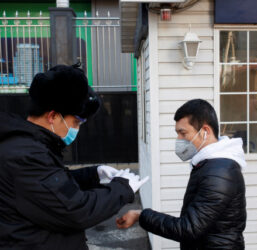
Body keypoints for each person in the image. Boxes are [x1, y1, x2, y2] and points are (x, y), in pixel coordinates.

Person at [0, 64, 148, 250]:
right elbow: (76, 210)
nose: (77, 129)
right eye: (76, 122)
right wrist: (122, 189)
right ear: (53, 116)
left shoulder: (28, 146)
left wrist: (93, 175)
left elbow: (52, 187)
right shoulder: (25, 155)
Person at [116, 99, 247, 249]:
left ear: (205, 131)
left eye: (183, 133)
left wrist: (142, 216)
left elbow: (187, 228)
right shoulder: (211, 165)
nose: (179, 139)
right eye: (177, 133)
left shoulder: (219, 173)